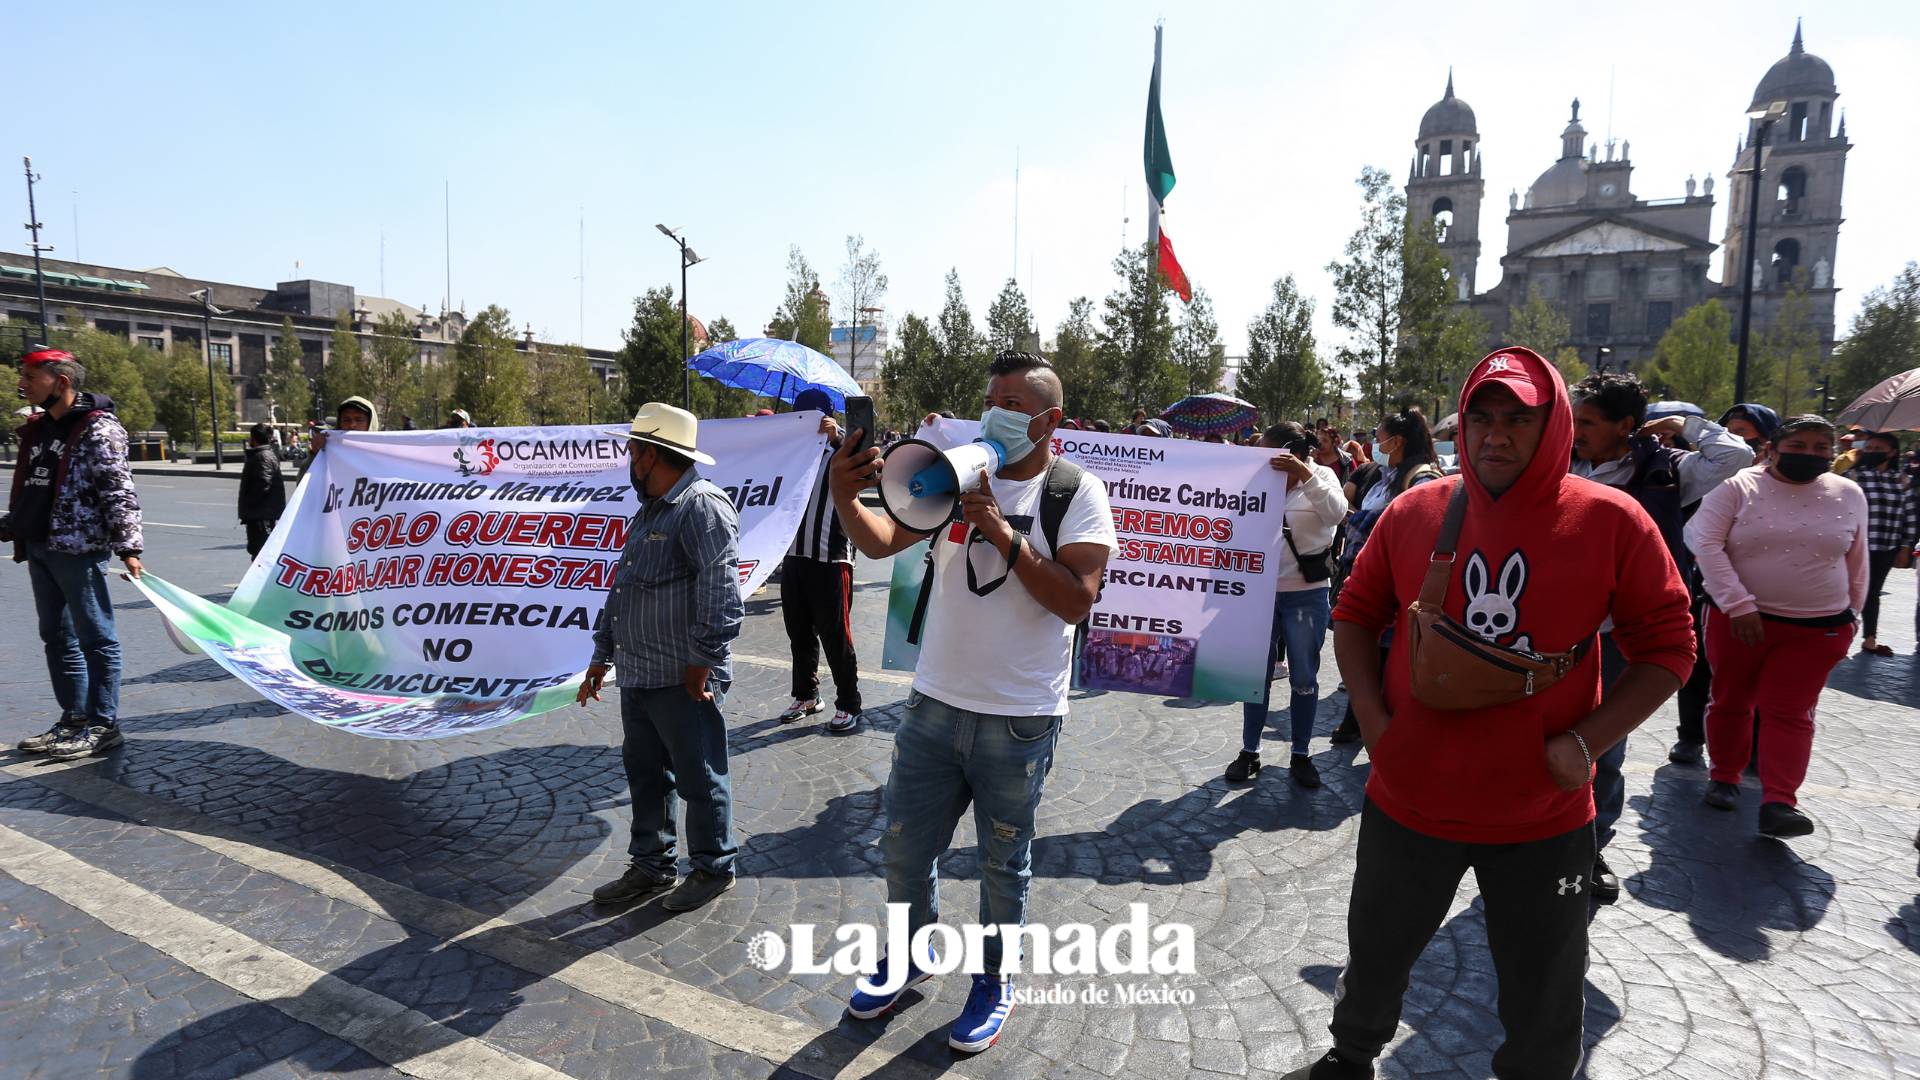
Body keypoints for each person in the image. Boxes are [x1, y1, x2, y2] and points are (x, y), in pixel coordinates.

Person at [1286, 347, 1695, 1080]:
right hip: (1410, 802)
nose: (1495, 435)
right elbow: (1354, 614)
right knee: (1376, 955)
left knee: (1544, 991)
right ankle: (1350, 1057)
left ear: (1556, 425)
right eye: (1481, 418)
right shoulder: (1417, 511)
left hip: (1545, 815)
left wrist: (1589, 742)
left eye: (1517, 419)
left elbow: (1669, 645)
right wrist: (1378, 729)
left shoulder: (1613, 520)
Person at [826, 351, 1116, 1053]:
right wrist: (843, 497)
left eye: (1013, 403)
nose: (996, 412)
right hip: (934, 704)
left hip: (1019, 718)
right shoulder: (957, 476)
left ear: (1049, 421)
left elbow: (1077, 602)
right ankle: (908, 954)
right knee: (903, 846)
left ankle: (993, 978)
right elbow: (883, 540)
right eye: (991, 398)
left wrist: (1003, 536)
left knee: (1000, 862)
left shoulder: (1075, 493)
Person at [1568, 373, 1752, 903]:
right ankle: (1535, 839)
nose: (1577, 431)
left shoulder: (1666, 471)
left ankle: (1591, 846)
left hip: (1620, 634)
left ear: (1627, 425)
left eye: (1588, 422)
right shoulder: (1562, 466)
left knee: (1604, 746)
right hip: (1553, 629)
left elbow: (1735, 457)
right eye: (1574, 419)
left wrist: (1690, 424)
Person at [580, 403, 744, 912]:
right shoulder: (652, 509)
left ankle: (714, 868)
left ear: (651, 454)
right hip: (640, 673)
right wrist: (601, 655)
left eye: (632, 450)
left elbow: (723, 591)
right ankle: (651, 866)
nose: (628, 459)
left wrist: (702, 662)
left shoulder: (702, 507)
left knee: (699, 776)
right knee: (646, 774)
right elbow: (624, 588)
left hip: (683, 676)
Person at [1687, 415, 1867, 838]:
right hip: (1739, 622)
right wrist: (1738, 603)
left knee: (1790, 712)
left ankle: (1780, 802)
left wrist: (1852, 616)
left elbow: (1857, 560)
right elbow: (1704, 542)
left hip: (1819, 626)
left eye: (1821, 448)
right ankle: (1725, 776)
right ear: (1772, 449)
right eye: (1799, 445)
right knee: (1732, 699)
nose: (1810, 454)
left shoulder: (1849, 493)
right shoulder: (1738, 487)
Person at [6, 347, 146, 760]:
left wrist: (129, 548)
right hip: (40, 544)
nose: (22, 384)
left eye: (30, 377)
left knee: (96, 637)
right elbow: (37, 487)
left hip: (79, 548)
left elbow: (118, 490)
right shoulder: (38, 428)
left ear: (61, 381)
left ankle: (104, 723)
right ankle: (74, 718)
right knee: (56, 636)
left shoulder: (99, 430)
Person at [1226, 422, 1349, 788]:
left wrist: (1304, 475)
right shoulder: (1257, 479)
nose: (1261, 457)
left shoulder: (1322, 475)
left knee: (1304, 677)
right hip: (1258, 593)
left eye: (1268, 450)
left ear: (1291, 453)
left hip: (1306, 594)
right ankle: (1250, 751)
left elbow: (1336, 514)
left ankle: (1300, 754)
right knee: (1255, 677)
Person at [1328, 407, 1442, 744]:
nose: (1374, 442)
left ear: (1396, 442)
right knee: (1371, 650)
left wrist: (1364, 522)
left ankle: (1380, 729)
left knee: (1388, 654)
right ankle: (1363, 722)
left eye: (1379, 436)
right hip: (1366, 572)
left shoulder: (1420, 478)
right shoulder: (1386, 475)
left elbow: (1416, 527)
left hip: (1395, 586)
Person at [778, 387, 862, 732]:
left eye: (811, 417)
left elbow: (870, 461)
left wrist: (838, 435)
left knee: (836, 636)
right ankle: (806, 694)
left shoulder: (841, 453)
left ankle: (849, 702)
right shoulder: (791, 455)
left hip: (831, 557)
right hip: (794, 555)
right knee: (798, 632)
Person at [1850, 431, 1917, 657]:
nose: (1873, 453)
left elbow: (1908, 515)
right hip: (1855, 546)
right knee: (1848, 589)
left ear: (1892, 453)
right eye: (1869, 448)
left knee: (1873, 592)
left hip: (1887, 545)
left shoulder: (1902, 479)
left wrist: (1906, 546)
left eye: (1879, 449)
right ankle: (1837, 632)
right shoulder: (1854, 476)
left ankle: (1870, 638)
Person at [237, 422, 288, 559]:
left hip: (261, 515)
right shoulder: (264, 454)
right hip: (261, 514)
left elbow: (263, 484)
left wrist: (249, 503)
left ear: (253, 438)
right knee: (259, 551)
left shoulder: (262, 456)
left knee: (261, 553)